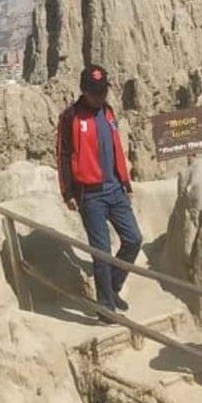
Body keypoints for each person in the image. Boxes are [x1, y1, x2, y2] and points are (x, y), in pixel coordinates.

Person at [56, 64, 142, 318]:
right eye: (95, 93)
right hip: (90, 194)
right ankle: (105, 305)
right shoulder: (70, 117)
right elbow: (63, 155)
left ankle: (112, 285)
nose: (99, 97)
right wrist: (68, 193)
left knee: (134, 239)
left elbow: (115, 147)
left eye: (102, 92)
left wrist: (125, 183)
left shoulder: (108, 112)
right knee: (101, 250)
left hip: (115, 188)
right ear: (84, 91)